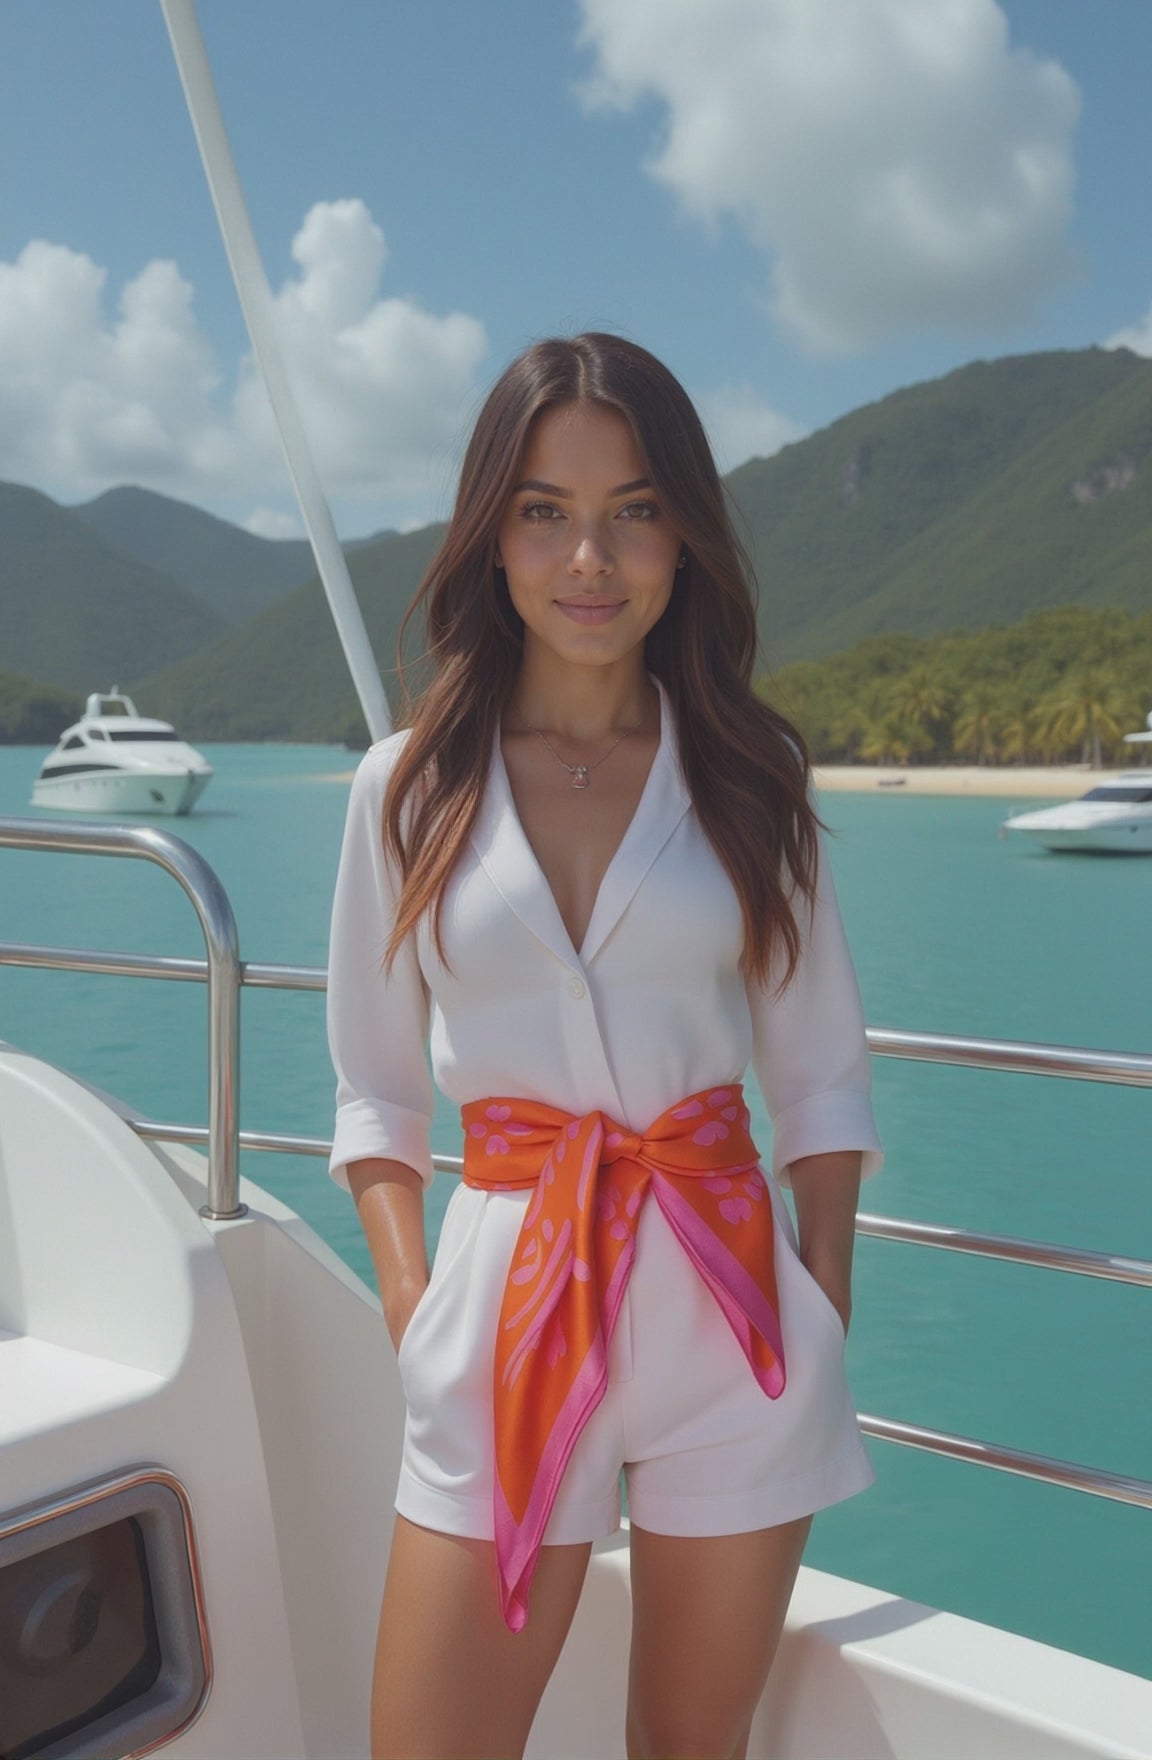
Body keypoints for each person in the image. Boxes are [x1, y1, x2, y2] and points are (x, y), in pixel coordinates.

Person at [326, 332, 882, 1760]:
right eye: (545, 511)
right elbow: (375, 1092)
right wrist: (414, 1309)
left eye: (634, 509)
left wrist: (820, 1303)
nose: (591, 557)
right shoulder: (405, 789)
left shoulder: (754, 778)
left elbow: (820, 1078)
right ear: (492, 535)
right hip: (499, 1313)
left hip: (734, 1323)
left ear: (684, 537)